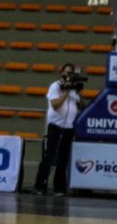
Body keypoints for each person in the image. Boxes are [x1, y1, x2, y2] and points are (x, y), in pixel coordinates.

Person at [33, 63, 87, 196]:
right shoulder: (55, 86)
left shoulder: (74, 90)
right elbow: (55, 105)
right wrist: (66, 92)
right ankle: (39, 186)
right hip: (55, 126)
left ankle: (59, 188)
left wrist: (78, 93)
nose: (69, 75)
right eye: (67, 72)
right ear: (62, 72)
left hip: (69, 128)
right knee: (49, 157)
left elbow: (82, 107)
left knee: (63, 159)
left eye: (71, 73)